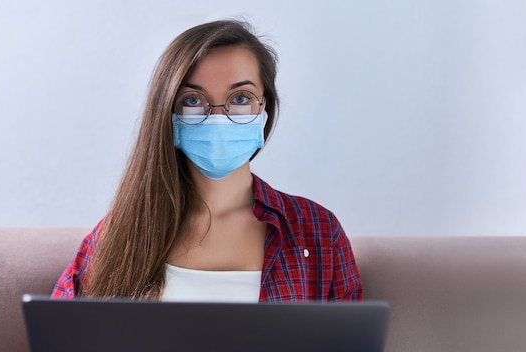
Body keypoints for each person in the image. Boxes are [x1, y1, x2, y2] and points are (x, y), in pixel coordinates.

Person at [51, 19, 362, 302]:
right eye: (193, 100)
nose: (217, 118)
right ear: (169, 114)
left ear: (264, 107)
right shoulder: (122, 233)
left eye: (240, 98)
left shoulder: (317, 231)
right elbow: (57, 334)